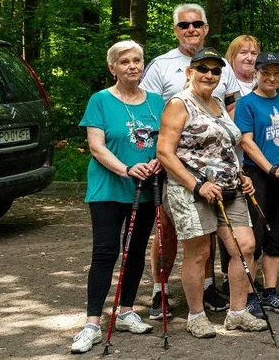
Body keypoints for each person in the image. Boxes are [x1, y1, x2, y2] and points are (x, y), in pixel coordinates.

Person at [156, 47, 267, 339]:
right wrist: (197, 185)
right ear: (190, 72)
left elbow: (226, 147)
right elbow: (164, 153)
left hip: (230, 189)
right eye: (203, 69)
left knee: (245, 246)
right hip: (191, 189)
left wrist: (241, 174)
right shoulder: (179, 103)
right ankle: (196, 316)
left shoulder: (218, 102)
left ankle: (238, 313)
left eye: (215, 70)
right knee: (199, 252)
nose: (209, 75)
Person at [141, 4, 241, 313]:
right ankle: (161, 288)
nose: (191, 29)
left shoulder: (222, 64)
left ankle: (208, 287)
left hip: (218, 167)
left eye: (197, 23)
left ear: (206, 27)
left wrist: (227, 146)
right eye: (184, 25)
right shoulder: (161, 65)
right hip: (175, 163)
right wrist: (159, 152)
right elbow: (146, 109)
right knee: (169, 231)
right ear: (175, 30)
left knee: (207, 231)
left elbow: (231, 105)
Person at [70, 41, 164, 354]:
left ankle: (125, 311)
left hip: (146, 189)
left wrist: (158, 162)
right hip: (109, 189)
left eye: (137, 60)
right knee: (106, 252)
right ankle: (92, 323)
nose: (133, 66)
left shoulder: (156, 101)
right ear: (113, 67)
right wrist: (127, 169)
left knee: (135, 250)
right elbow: (97, 146)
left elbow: (167, 141)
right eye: (125, 62)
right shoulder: (100, 100)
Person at [234, 52, 279, 315]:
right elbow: (246, 141)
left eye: (276, 73)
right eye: (266, 73)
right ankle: (250, 294)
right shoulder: (247, 103)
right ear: (256, 74)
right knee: (256, 234)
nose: (271, 78)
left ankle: (271, 291)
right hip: (259, 174)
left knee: (278, 233)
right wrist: (271, 169)